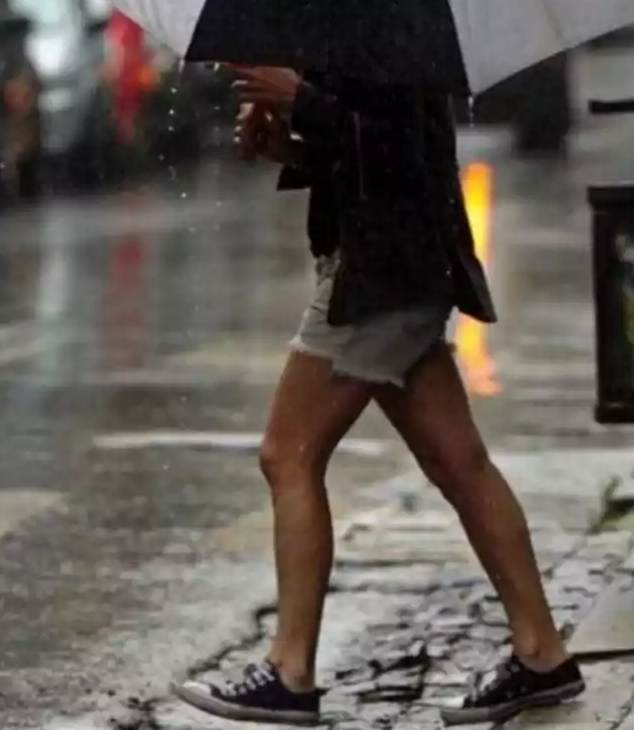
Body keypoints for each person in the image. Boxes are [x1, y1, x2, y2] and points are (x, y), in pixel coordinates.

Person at [170, 68, 585, 727]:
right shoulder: (362, 13)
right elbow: (362, 154)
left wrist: (302, 99)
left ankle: (290, 671)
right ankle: (542, 653)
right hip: (396, 266)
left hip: (380, 276)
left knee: (288, 456)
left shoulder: (389, 22)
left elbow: (402, 152)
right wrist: (288, 143)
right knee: (460, 465)